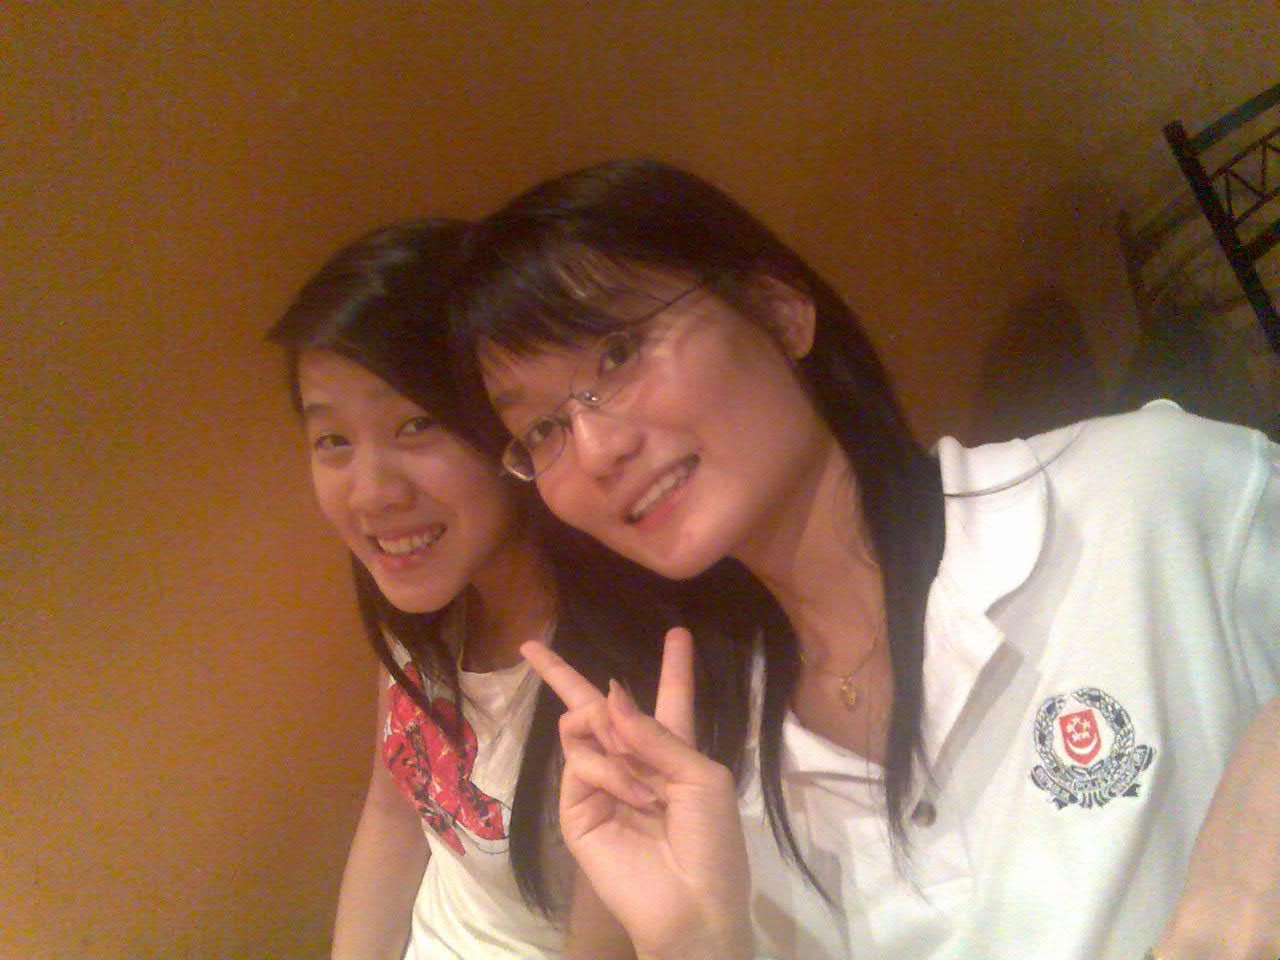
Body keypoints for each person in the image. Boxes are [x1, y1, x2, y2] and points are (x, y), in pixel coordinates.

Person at [448, 159, 1280, 960]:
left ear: (779, 311)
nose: (595, 450)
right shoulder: (708, 782)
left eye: (619, 352)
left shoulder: (1142, 498)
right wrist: (694, 945)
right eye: (542, 430)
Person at [268, 218, 755, 960]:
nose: (370, 494)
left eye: (416, 425)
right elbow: (394, 820)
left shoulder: (625, 683)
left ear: (511, 430)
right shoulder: (421, 602)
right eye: (332, 439)